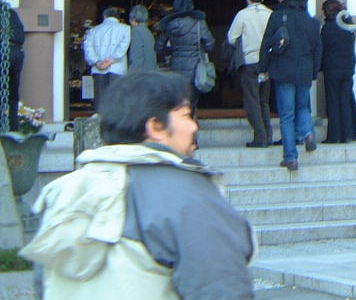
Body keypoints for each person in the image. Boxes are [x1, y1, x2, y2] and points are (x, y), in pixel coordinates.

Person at [21, 68, 255, 298]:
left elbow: (44, 284)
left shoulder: (62, 191)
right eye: (185, 115)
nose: (194, 127)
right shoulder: (185, 194)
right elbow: (222, 289)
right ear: (156, 126)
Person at [261, 0, 321, 171]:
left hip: (283, 70)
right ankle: (308, 133)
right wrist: (314, 72)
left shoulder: (278, 16)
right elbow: (317, 49)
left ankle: (291, 158)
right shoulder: (312, 22)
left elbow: (266, 43)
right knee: (303, 107)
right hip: (304, 70)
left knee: (286, 115)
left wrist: (263, 68)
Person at [227, 0, 274, 148]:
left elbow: (232, 38)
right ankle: (268, 135)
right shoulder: (270, 13)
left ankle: (260, 136)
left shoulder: (242, 15)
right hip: (267, 62)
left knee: (252, 101)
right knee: (264, 101)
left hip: (250, 61)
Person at [156, 0, 214, 107]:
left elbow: (159, 47)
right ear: (191, 6)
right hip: (194, 69)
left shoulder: (169, 24)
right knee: (192, 102)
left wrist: (171, 51)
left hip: (175, 68)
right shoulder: (199, 23)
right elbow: (210, 44)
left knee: (178, 102)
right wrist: (200, 49)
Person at [320, 0, 356, 143]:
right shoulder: (347, 26)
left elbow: (323, 48)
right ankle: (347, 134)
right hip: (348, 68)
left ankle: (334, 135)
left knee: (333, 102)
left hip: (332, 68)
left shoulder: (327, 28)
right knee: (345, 101)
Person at [84, 6, 131, 111]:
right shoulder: (125, 29)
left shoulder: (93, 30)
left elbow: (88, 48)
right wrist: (111, 60)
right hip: (117, 68)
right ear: (118, 17)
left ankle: (100, 119)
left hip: (99, 68)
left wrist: (97, 62)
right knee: (117, 100)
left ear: (104, 16)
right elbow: (123, 47)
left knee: (100, 100)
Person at [0, 1, 23, 127]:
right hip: (16, 52)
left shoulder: (6, 14)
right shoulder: (11, 13)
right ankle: (13, 124)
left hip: (5, 52)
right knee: (13, 92)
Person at [127, 6, 157, 72]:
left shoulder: (136, 31)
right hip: (151, 69)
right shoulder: (148, 32)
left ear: (133, 19)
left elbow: (136, 55)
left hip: (140, 72)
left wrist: (133, 73)